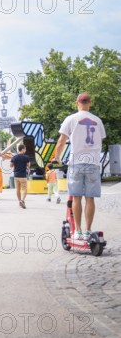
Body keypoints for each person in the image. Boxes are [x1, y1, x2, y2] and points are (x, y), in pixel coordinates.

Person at [54, 93, 106, 241]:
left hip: (76, 161)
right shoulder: (98, 121)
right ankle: (88, 230)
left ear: (77, 103)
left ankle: (77, 230)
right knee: (90, 198)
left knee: (76, 197)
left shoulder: (70, 119)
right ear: (90, 102)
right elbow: (99, 139)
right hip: (93, 162)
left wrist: (57, 157)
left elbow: (61, 141)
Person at [10, 144, 30, 209]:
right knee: (24, 189)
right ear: (22, 149)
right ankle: (22, 200)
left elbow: (11, 165)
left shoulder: (14, 157)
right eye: (25, 149)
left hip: (16, 176)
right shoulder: (26, 157)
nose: (26, 150)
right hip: (23, 176)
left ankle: (19, 201)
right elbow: (28, 165)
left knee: (17, 189)